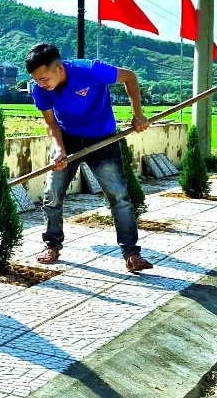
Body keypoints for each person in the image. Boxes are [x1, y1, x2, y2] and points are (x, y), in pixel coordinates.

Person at [25, 42, 154, 273]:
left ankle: (132, 253)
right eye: (36, 80)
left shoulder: (91, 70)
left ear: (60, 69)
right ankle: (51, 245)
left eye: (44, 79)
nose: (41, 85)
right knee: (52, 194)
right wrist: (60, 149)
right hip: (67, 138)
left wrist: (138, 115)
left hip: (102, 138)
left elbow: (130, 77)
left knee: (119, 196)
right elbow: (51, 123)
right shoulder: (40, 90)